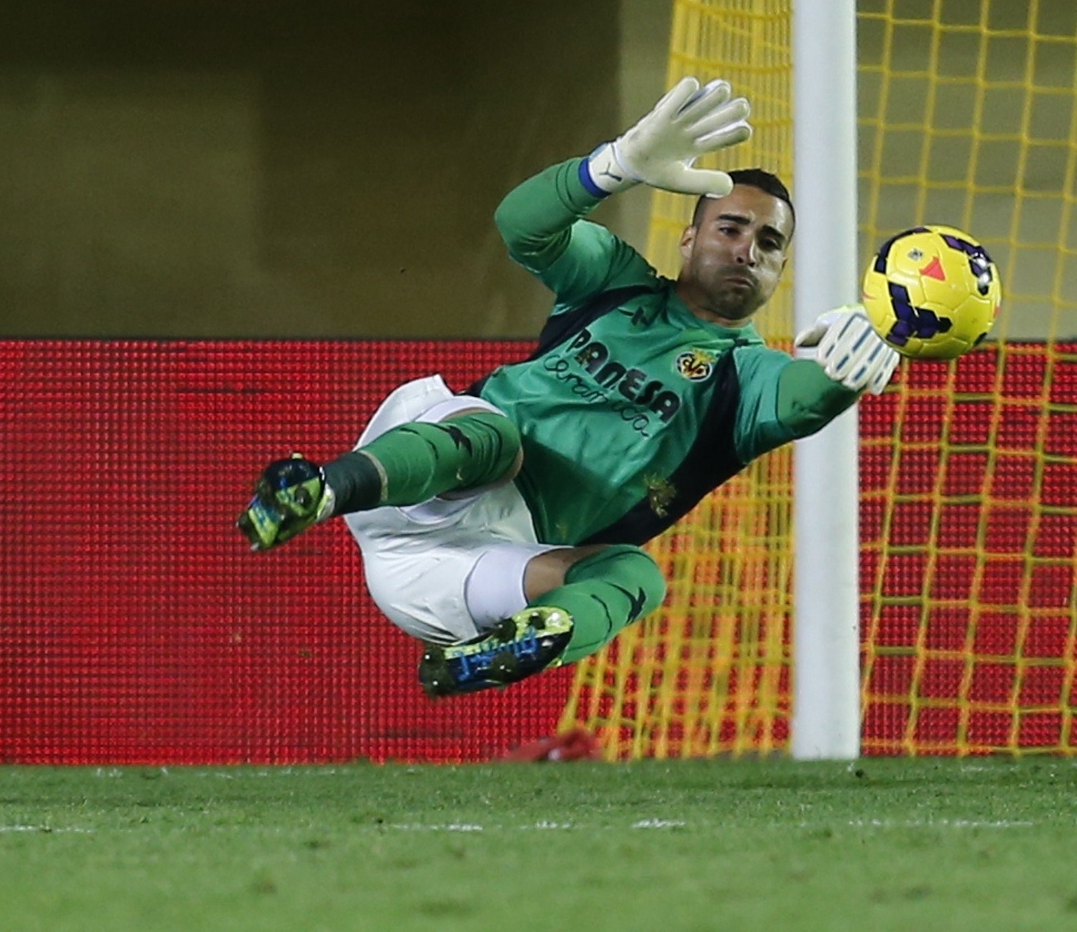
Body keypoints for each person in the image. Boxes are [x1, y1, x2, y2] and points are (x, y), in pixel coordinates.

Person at [237, 79, 900, 697]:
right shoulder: (614, 282)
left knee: (636, 576)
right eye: (731, 228)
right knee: (495, 438)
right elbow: (521, 224)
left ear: (781, 269)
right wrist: (615, 165)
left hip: (478, 571)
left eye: (770, 242)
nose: (747, 250)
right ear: (689, 237)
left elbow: (803, 400)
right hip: (421, 484)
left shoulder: (743, 378)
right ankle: (315, 491)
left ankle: (492, 654)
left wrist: (869, 344)